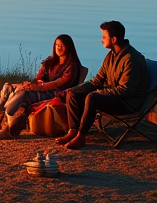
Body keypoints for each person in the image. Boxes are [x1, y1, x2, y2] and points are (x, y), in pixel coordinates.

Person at [57, 21, 148, 150]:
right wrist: (76, 89)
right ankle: (73, 131)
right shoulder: (111, 55)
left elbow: (126, 90)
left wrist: (99, 93)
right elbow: (98, 80)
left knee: (92, 98)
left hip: (127, 103)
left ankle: (81, 136)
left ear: (114, 39)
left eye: (104, 37)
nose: (101, 40)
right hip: (113, 97)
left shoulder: (131, 59)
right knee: (72, 93)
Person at [0, 34, 81, 139]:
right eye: (57, 45)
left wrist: (34, 88)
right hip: (41, 89)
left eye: (62, 45)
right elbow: (38, 78)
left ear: (69, 47)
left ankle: (10, 129)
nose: (59, 48)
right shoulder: (50, 61)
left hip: (54, 94)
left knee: (23, 94)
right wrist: (26, 85)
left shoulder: (71, 66)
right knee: (8, 86)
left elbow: (56, 84)